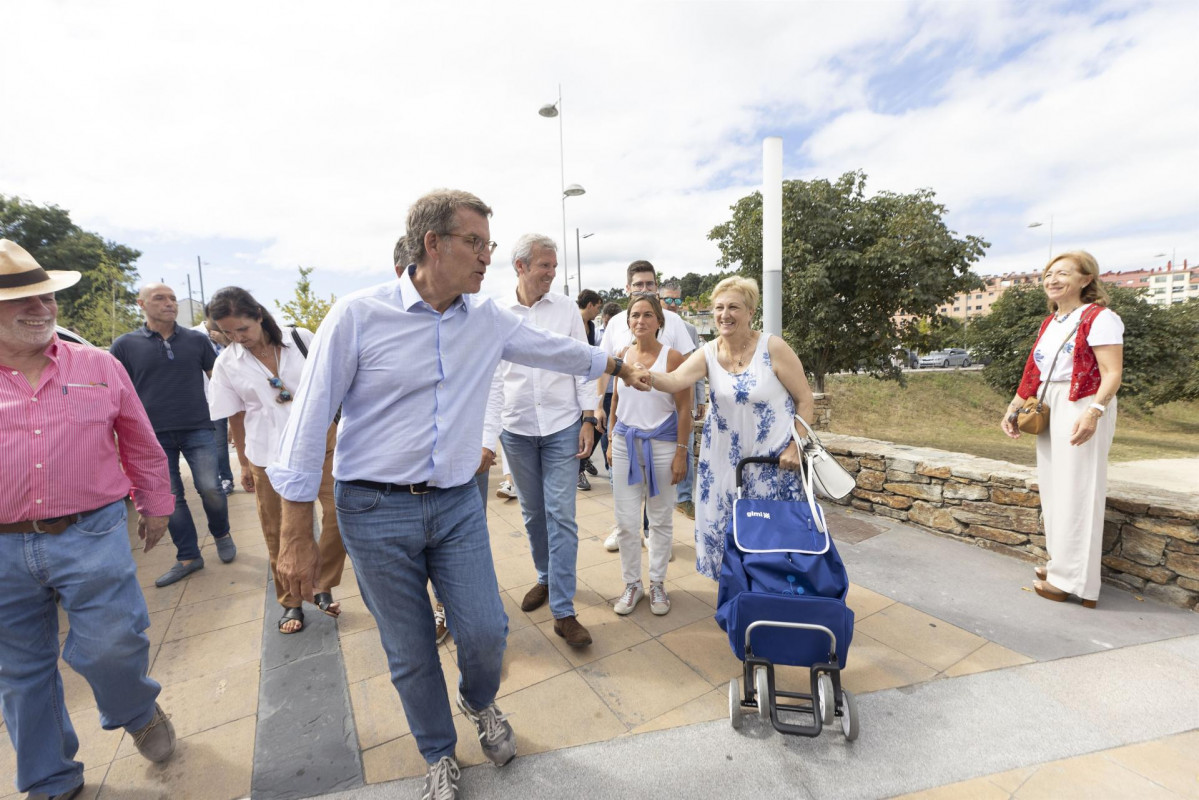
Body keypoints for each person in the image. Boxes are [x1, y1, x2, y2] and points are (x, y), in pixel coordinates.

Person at [266, 190, 648, 800]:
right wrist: (295, 536)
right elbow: (308, 424)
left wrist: (615, 364)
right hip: (372, 509)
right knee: (410, 646)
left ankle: (478, 701)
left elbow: (553, 349)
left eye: (490, 246)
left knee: (485, 631)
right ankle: (438, 752)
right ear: (432, 245)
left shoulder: (487, 319)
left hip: (454, 505)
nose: (486, 259)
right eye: (475, 244)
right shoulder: (357, 316)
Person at [0, 240, 178, 799]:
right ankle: (50, 778)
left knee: (111, 645)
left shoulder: (98, 365)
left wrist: (157, 504)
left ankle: (135, 708)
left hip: (90, 532)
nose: (42, 307)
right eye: (21, 299)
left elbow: (141, 443)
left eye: (46, 294)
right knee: (21, 672)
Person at [647, 276, 815, 580]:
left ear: (750, 311)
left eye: (734, 307)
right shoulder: (709, 352)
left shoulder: (773, 347)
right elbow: (674, 381)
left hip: (773, 465)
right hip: (722, 465)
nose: (725, 314)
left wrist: (795, 446)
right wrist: (633, 371)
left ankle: (776, 602)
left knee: (774, 540)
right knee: (722, 533)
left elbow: (805, 401)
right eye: (719, 307)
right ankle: (736, 602)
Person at [206, 287, 348, 634]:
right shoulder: (227, 362)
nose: (237, 338)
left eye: (243, 329)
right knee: (278, 534)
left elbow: (337, 382)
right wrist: (242, 463)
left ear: (259, 315)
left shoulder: (301, 339)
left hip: (322, 443)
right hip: (267, 455)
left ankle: (320, 584)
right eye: (227, 332)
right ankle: (291, 602)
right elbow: (235, 417)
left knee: (343, 513)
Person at [1001, 251, 1123, 609]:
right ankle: (1061, 566)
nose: (1052, 280)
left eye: (1063, 274)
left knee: (1079, 489)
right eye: (1048, 274)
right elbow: (1033, 372)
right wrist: (1012, 409)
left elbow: (1112, 372)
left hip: (1082, 401)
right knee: (1054, 488)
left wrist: (1094, 412)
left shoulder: (1101, 318)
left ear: (1086, 279)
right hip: (1050, 401)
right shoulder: (1051, 322)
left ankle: (1076, 581)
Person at [492, 235, 597, 647]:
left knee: (562, 514)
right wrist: (491, 435)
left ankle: (564, 611)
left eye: (554, 266)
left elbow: (583, 364)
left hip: (561, 426)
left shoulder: (567, 309)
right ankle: (545, 577)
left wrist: (589, 418)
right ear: (520, 267)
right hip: (516, 428)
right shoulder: (497, 312)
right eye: (545, 267)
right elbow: (492, 376)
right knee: (534, 513)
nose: (552, 273)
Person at [110, 283, 237, 586]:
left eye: (171, 298)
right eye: (160, 298)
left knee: (210, 488)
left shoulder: (196, 340)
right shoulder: (124, 345)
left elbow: (217, 380)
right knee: (170, 498)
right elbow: (116, 391)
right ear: (141, 304)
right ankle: (189, 556)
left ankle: (221, 533)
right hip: (150, 436)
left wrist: (230, 419)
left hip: (198, 426)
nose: (169, 303)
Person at [598, 262, 696, 551]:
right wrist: (598, 408)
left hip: (661, 427)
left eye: (649, 284)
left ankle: (652, 538)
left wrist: (683, 446)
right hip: (626, 424)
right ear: (628, 288)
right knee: (624, 492)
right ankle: (626, 530)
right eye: (638, 285)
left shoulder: (674, 326)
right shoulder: (616, 328)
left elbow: (689, 371)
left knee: (659, 504)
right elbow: (608, 372)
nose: (644, 289)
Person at [606, 293, 692, 616]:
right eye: (634, 315)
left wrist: (681, 453)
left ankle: (657, 582)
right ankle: (632, 584)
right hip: (627, 443)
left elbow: (684, 409)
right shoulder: (621, 355)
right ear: (628, 322)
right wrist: (613, 438)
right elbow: (615, 401)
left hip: (662, 446)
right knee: (626, 521)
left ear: (659, 321)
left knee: (659, 519)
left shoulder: (673, 359)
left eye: (646, 315)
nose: (639, 320)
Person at [659, 280, 706, 520]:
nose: (673, 304)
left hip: (683, 399)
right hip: (657, 400)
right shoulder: (652, 325)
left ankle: (685, 498)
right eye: (668, 299)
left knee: (685, 446)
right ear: (659, 299)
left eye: (677, 300)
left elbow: (696, 365)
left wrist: (700, 397)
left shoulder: (689, 329)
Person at [194, 316, 236, 495]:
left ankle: (233, 477)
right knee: (212, 443)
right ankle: (220, 479)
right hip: (205, 398)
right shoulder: (193, 335)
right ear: (208, 317)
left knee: (228, 441)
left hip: (231, 394)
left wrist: (225, 341)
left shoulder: (229, 334)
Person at [575, 289, 603, 489]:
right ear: (590, 304)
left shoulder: (592, 327)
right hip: (571, 386)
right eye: (598, 307)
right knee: (577, 429)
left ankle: (584, 458)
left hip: (590, 383)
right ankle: (578, 471)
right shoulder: (571, 321)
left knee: (596, 426)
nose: (598, 312)